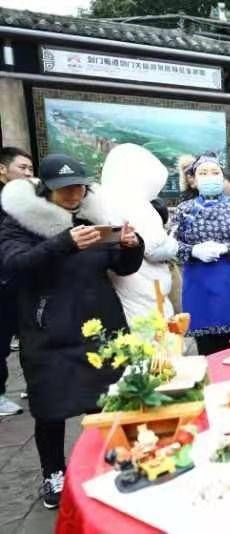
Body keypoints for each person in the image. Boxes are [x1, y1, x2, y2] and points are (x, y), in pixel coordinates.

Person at [0, 154, 144, 508]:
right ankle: (54, 473)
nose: (73, 192)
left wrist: (130, 245)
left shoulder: (91, 221)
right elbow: (16, 266)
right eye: (64, 188)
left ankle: (115, 460)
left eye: (79, 185)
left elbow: (122, 267)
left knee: (108, 401)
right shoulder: (17, 224)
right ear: (45, 189)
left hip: (102, 328)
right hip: (49, 330)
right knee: (51, 407)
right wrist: (64, 242)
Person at [174, 154, 230, 355]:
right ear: (193, 180)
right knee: (207, 351)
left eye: (215, 172)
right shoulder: (184, 210)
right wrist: (193, 250)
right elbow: (170, 247)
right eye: (203, 173)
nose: (210, 177)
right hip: (199, 286)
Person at [100, 144, 179, 321]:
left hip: (129, 285)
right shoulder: (134, 204)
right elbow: (154, 249)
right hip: (145, 285)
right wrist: (173, 244)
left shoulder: (105, 200)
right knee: (154, 335)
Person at [0, 147, 33, 416]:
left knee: (27, 335)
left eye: (30, 169)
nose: (27, 174)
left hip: (18, 283)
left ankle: (34, 383)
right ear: (3, 169)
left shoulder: (27, 200)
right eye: (22, 168)